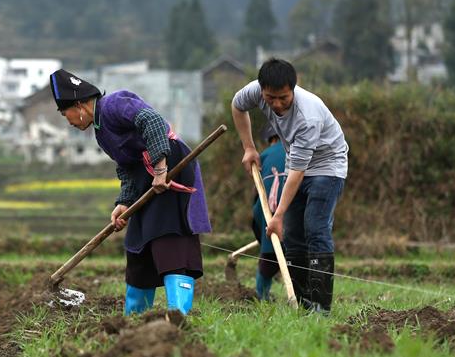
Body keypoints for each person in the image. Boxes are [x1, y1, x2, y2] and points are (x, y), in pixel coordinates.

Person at [49, 69, 211, 315]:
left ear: (79, 105)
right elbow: (126, 167)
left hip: (171, 169)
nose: (68, 121)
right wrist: (124, 202)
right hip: (148, 179)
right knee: (138, 245)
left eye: (65, 114)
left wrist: (160, 168)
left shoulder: (113, 104)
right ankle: (133, 318)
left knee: (168, 237)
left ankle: (178, 316)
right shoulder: (101, 133)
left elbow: (153, 121)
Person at [231, 58, 348, 315]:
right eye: (271, 98)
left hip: (327, 167)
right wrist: (249, 147)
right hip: (299, 166)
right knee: (293, 236)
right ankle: (303, 304)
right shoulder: (254, 92)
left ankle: (321, 307)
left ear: (293, 89)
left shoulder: (308, 117)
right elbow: (237, 107)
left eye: (284, 98)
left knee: (315, 228)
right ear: (261, 90)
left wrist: (277, 215)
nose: (277, 104)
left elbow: (296, 172)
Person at [251, 123, 286, 301]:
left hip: (271, 219)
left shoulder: (263, 156)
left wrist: (260, 235)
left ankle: (262, 298)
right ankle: (306, 300)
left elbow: (258, 205)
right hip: (296, 218)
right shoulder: (303, 150)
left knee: (267, 264)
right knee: (299, 262)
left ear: (272, 139)